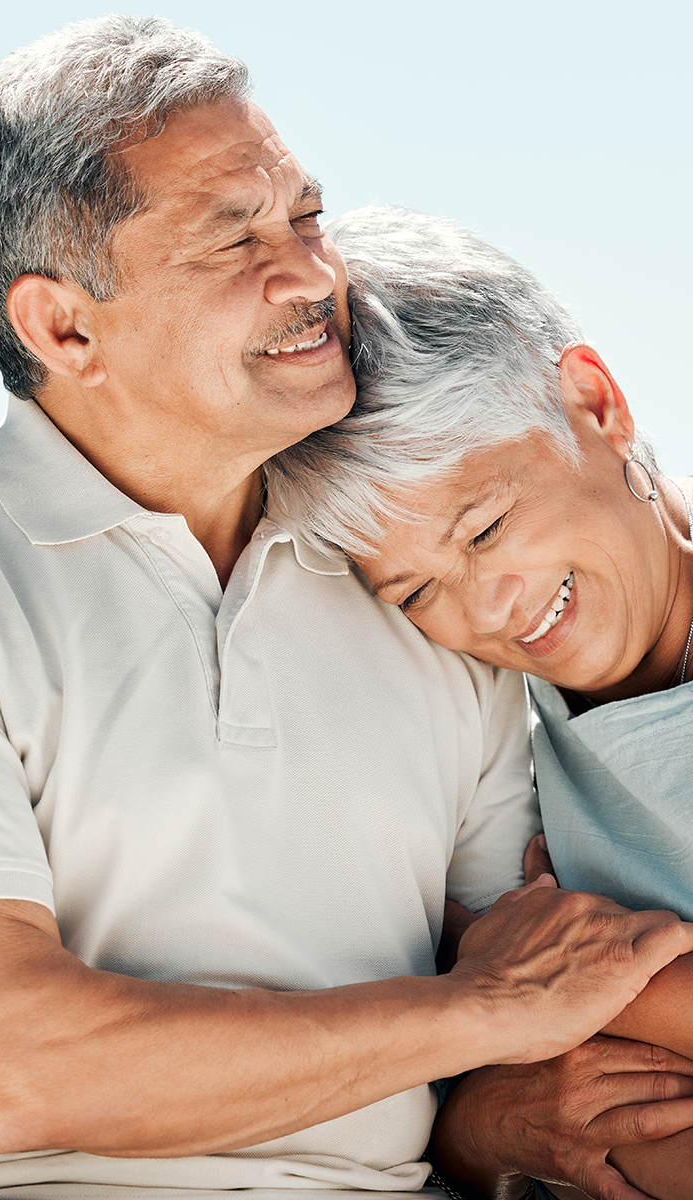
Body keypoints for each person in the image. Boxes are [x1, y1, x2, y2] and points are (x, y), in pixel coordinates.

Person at [0, 20, 692, 1200]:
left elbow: (550, 974)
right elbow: (17, 1065)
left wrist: (479, 1104)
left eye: (304, 219)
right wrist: (472, 1023)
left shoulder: (390, 582)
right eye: (234, 240)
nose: (313, 276)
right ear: (65, 328)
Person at [268, 204, 693, 1199]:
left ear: (593, 403)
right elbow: (492, 1099)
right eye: (412, 592)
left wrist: (560, 986)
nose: (485, 609)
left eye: (487, 526)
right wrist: (481, 1124)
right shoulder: (476, 724)